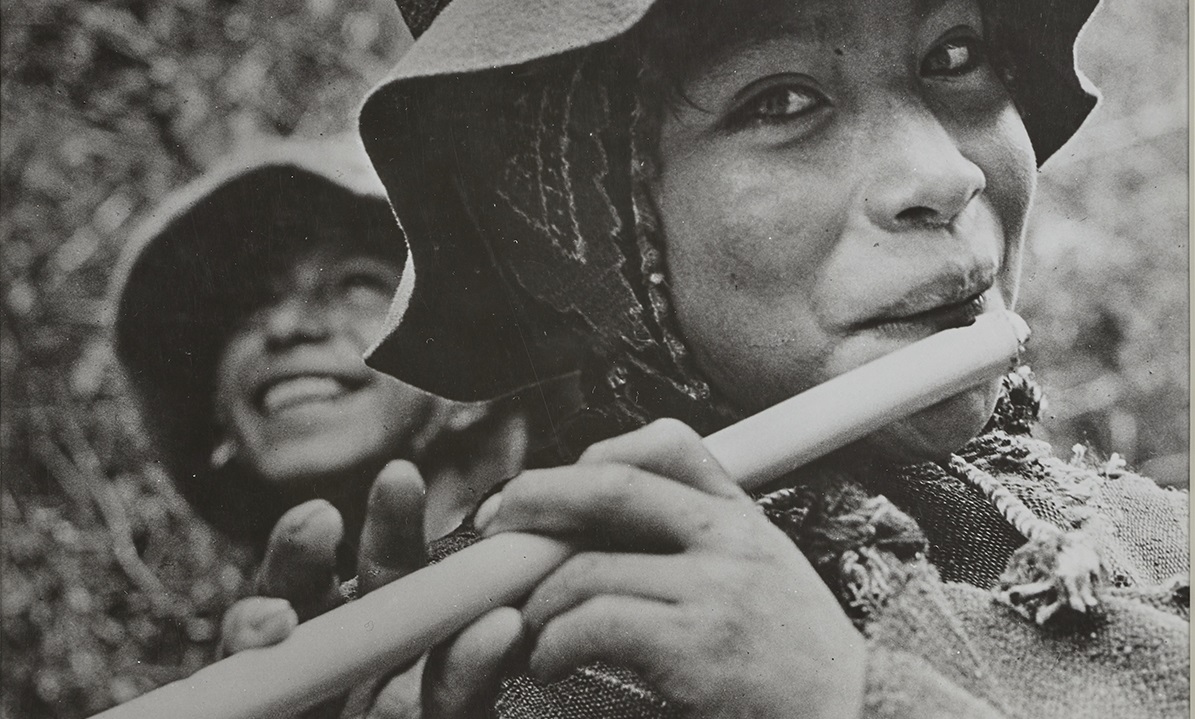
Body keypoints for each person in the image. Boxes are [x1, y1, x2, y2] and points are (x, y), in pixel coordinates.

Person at [245, 1, 1189, 717]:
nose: (945, 174)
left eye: (952, 55)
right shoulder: (505, 667)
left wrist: (844, 695)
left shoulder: (1153, 542)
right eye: (783, 100)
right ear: (590, 226)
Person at [111, 136, 539, 656]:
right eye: (248, 306)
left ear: (478, 364)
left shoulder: (593, 592)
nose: (284, 326)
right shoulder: (257, 667)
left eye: (354, 285)